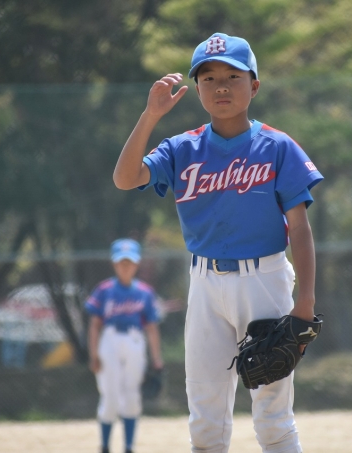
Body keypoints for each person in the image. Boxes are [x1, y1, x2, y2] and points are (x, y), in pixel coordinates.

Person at [113, 32, 323, 453]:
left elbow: (299, 229)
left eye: (232, 76)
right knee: (205, 418)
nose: (221, 86)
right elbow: (125, 178)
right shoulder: (182, 148)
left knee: (273, 417)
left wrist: (305, 302)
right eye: (208, 78)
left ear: (254, 86)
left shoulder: (276, 146)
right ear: (197, 90)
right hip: (204, 283)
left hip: (263, 279)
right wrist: (150, 115)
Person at [85, 238, 164, 453]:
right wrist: (93, 354)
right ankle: (105, 446)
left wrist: (157, 358)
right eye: (122, 262)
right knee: (109, 395)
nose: (126, 267)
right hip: (109, 341)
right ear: (114, 263)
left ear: (137, 264)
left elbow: (151, 327)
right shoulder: (104, 290)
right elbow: (94, 326)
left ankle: (129, 447)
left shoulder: (145, 292)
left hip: (135, 341)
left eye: (130, 262)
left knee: (132, 395)